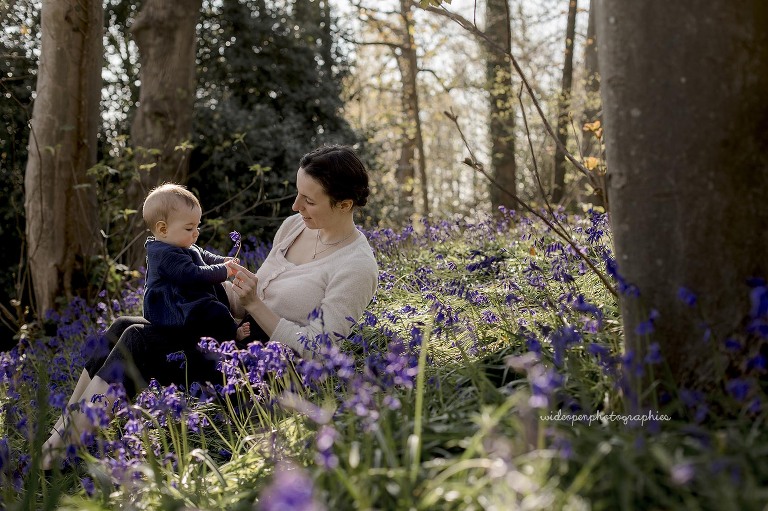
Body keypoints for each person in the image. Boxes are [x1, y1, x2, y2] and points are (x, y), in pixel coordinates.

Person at [41, 145, 379, 470]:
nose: (294, 206)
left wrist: (255, 304)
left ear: (344, 204)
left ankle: (60, 453)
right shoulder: (295, 227)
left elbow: (321, 350)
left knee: (138, 342)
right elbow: (249, 296)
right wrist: (213, 283)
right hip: (233, 336)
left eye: (308, 200)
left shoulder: (356, 267)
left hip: (264, 370)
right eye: (297, 193)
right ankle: (60, 434)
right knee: (122, 326)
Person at [141, 183, 248, 343]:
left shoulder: (179, 243)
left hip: (186, 300)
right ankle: (233, 334)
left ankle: (223, 331)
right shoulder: (164, 254)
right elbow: (193, 274)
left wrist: (222, 261)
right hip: (172, 308)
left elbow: (203, 255)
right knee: (214, 310)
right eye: (189, 228)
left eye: (197, 226)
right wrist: (224, 270)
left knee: (214, 301)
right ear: (163, 229)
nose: (196, 233)